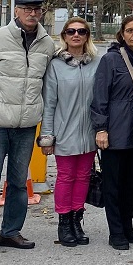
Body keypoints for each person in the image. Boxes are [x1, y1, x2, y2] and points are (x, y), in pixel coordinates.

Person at [0, 0, 55, 255]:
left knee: (19, 183)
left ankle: (10, 232)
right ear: (16, 12)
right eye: (27, 9)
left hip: (27, 125)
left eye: (37, 9)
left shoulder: (46, 44)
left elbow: (47, 83)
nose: (33, 14)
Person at [92, 14, 133, 250]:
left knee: (131, 183)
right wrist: (101, 129)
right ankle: (116, 230)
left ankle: (128, 225)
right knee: (113, 184)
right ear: (122, 33)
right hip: (115, 131)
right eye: (130, 30)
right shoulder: (110, 60)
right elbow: (100, 97)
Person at [40, 17, 99, 247]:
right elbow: (49, 103)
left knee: (84, 176)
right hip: (64, 131)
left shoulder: (96, 63)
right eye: (71, 31)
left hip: (89, 132)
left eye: (82, 31)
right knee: (66, 176)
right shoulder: (56, 65)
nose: (76, 35)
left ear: (87, 36)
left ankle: (77, 219)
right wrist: (47, 136)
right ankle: (64, 222)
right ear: (64, 36)